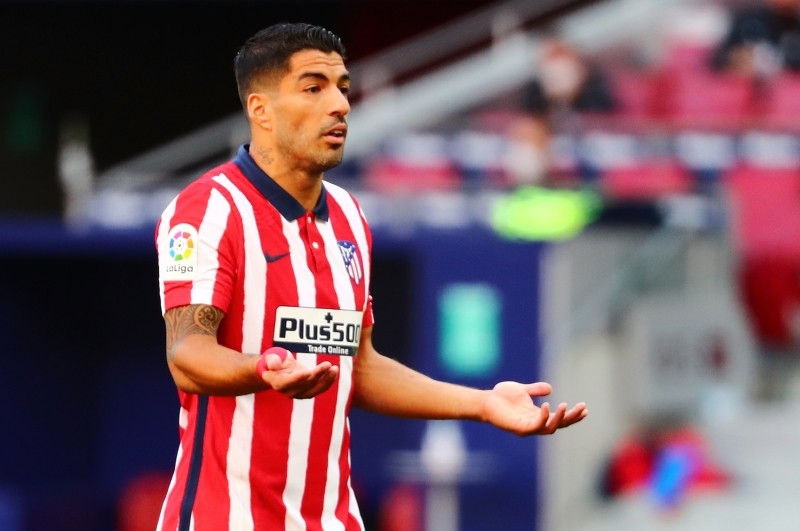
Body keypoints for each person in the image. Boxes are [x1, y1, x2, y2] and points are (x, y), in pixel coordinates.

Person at [154, 22, 588, 531]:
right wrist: (264, 369)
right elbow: (187, 355)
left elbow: (359, 368)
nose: (338, 105)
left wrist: (483, 405)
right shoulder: (208, 210)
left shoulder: (349, 217)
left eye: (342, 88)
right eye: (313, 88)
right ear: (261, 111)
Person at [710, 0, 800, 77]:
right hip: (747, 91)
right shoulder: (749, 21)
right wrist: (736, 58)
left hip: (788, 91)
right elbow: (718, 59)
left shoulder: (795, 27)